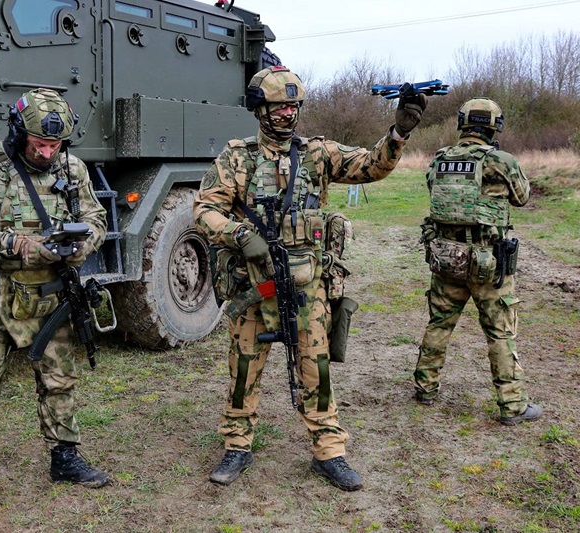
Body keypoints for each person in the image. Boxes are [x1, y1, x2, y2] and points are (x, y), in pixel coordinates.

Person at [193, 66, 426, 491]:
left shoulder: (318, 153)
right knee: (245, 367)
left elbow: (370, 167)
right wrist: (240, 233)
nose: (287, 114)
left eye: (293, 107)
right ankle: (237, 445)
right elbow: (205, 208)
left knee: (316, 368)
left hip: (307, 284)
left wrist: (397, 135)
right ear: (259, 109)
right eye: (278, 107)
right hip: (255, 281)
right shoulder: (237, 157)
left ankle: (329, 452)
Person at [0, 88, 108, 527]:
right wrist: (18, 244)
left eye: (54, 145)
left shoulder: (72, 167)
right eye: (39, 144)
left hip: (51, 294)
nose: (47, 152)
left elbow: (96, 220)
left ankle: (65, 458)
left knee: (60, 381)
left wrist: (79, 245)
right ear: (19, 133)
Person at [415, 97, 543, 425]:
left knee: (439, 323)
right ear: (494, 127)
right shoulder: (501, 160)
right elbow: (522, 197)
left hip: (447, 259)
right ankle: (512, 406)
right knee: (500, 332)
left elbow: (434, 191)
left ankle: (425, 388)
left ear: (461, 124)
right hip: (489, 264)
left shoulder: (441, 159)